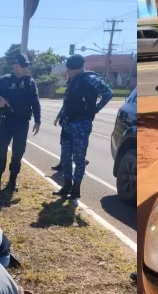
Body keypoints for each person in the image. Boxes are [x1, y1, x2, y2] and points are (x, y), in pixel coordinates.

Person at [52, 55, 113, 200]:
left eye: (70, 69)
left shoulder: (91, 79)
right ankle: (66, 185)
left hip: (81, 124)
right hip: (67, 123)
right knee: (66, 157)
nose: (68, 72)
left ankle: (76, 188)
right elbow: (67, 101)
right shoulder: (72, 80)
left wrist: (95, 109)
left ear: (78, 68)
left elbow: (108, 93)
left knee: (79, 158)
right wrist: (60, 115)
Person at [0, 53, 41, 193]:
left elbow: (35, 102)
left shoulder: (30, 82)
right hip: (5, 123)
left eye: (27, 65)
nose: (26, 68)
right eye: (24, 65)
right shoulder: (3, 81)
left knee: (18, 154)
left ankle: (12, 181)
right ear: (16, 65)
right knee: (0, 153)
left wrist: (38, 120)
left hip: (22, 124)